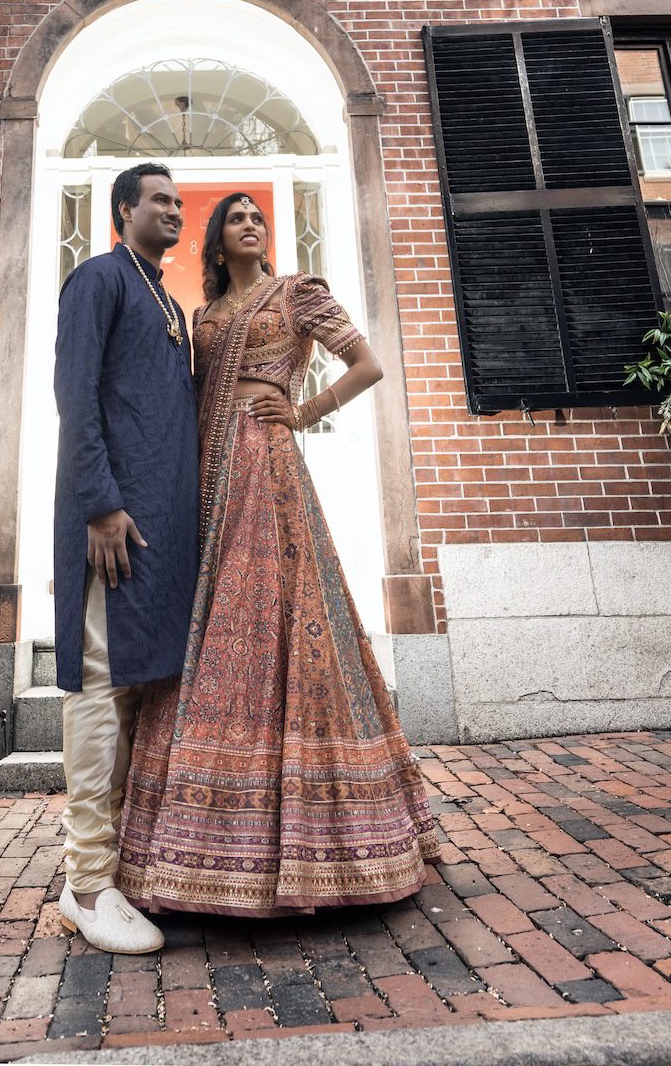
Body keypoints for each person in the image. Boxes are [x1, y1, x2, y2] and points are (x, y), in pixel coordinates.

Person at [117, 192, 438, 916]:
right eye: (237, 218)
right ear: (218, 240)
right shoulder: (202, 317)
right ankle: (190, 852)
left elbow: (366, 364)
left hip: (266, 465)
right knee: (209, 622)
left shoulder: (299, 293)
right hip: (203, 474)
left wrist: (302, 412)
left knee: (270, 613)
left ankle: (325, 846)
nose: (252, 225)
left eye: (258, 217)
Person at [50, 162, 199, 954]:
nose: (174, 210)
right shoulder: (97, 281)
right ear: (122, 211)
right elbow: (75, 397)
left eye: (179, 201)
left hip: (165, 528)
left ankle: (127, 867)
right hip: (110, 522)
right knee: (100, 686)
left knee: (143, 689)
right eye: (159, 200)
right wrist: (100, 504)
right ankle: (87, 886)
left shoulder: (169, 302)